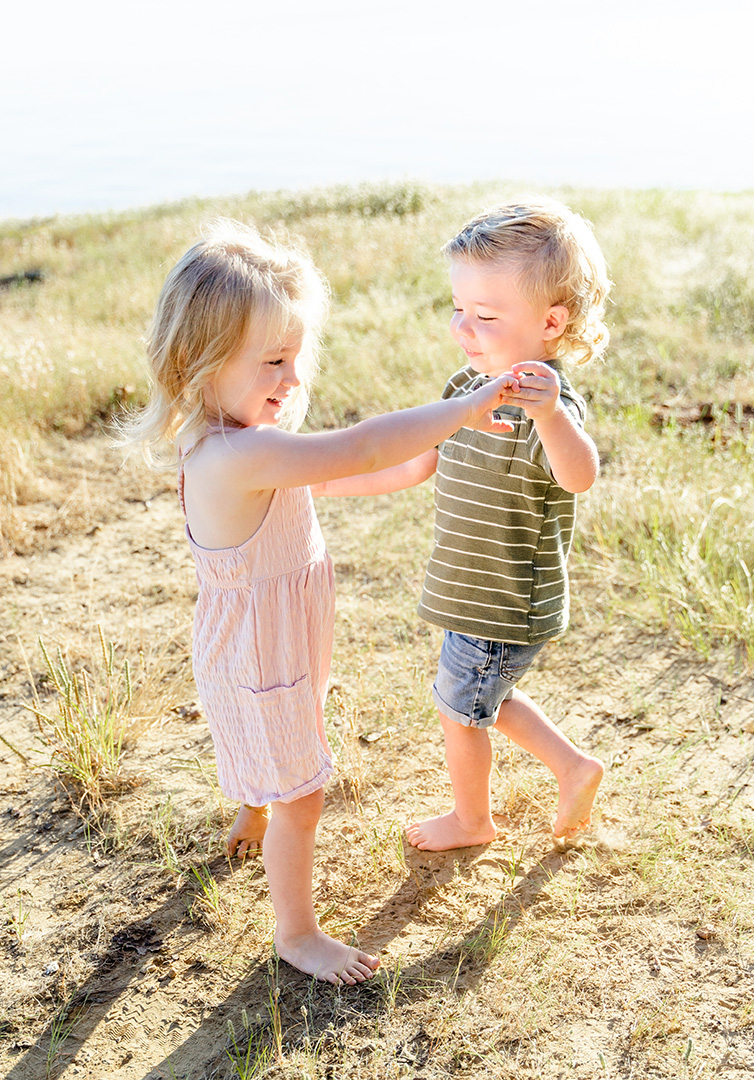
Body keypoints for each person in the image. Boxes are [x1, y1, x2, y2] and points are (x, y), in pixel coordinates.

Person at [125, 217, 513, 985]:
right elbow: (360, 445)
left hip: (270, 639)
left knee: (273, 745)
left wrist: (415, 465)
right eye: (273, 359)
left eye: (297, 355)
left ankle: (251, 808)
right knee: (304, 792)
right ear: (199, 361)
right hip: (258, 647)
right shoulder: (237, 453)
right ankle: (295, 933)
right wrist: (461, 411)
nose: (293, 378)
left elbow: (343, 474)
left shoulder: (236, 437)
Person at [405, 197, 610, 853]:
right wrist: (322, 479)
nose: (464, 327)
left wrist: (551, 416)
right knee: (480, 697)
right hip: (477, 590)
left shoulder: (547, 400)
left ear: (551, 322)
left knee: (459, 709)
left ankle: (472, 822)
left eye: (485, 316)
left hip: (503, 600)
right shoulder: (470, 382)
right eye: (458, 309)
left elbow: (579, 476)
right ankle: (575, 768)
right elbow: (421, 462)